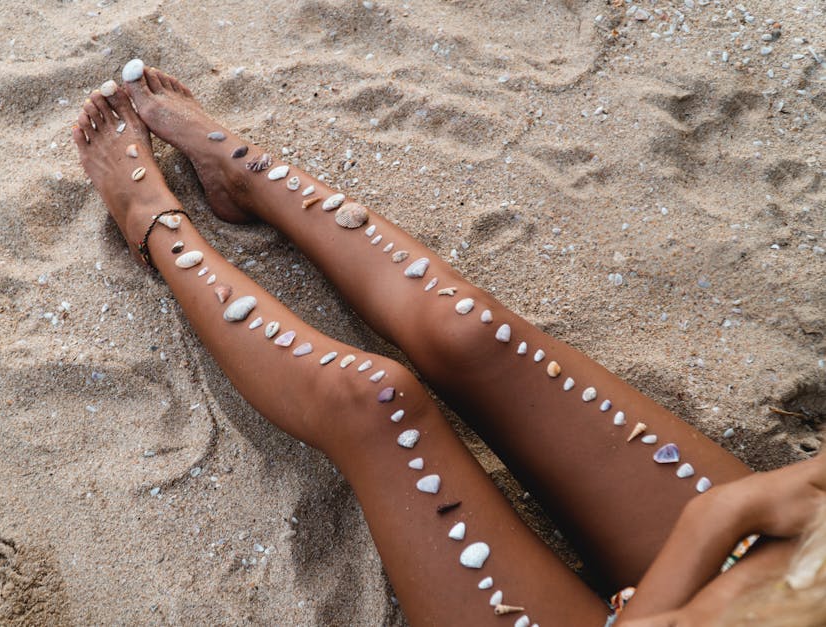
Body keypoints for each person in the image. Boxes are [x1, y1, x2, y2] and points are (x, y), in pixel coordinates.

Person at [71, 59, 826, 626]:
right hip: (777, 571)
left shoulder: (713, 523)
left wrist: (714, 522)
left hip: (717, 563)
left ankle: (155, 224)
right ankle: (247, 177)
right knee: (472, 333)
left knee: (371, 400)